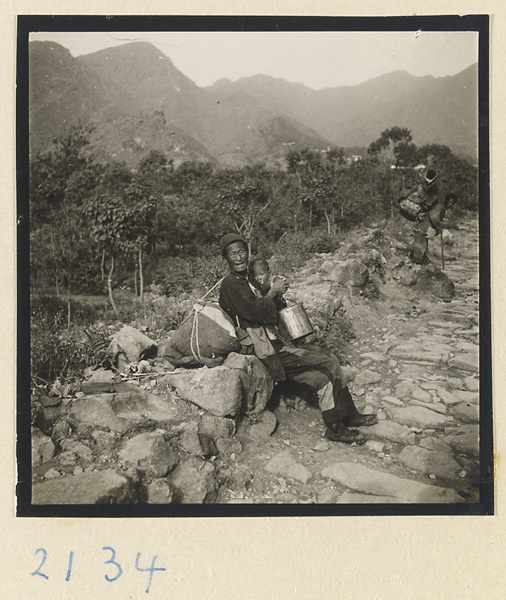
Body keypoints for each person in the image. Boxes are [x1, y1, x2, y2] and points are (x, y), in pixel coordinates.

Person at [218, 233, 377, 445]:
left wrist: (273, 290)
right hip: (264, 348)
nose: (238, 257)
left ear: (247, 252)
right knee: (327, 364)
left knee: (328, 356)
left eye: (241, 252)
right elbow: (255, 312)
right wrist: (273, 293)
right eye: (232, 254)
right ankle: (335, 427)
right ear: (225, 258)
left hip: (273, 340)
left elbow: (261, 303)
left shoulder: (244, 279)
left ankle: (350, 414)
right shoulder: (231, 284)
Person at [400, 169, 446, 265]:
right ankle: (418, 261)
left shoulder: (421, 184)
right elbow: (433, 214)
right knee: (421, 238)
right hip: (423, 215)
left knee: (419, 237)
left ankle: (419, 259)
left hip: (418, 214)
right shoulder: (433, 191)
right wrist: (439, 227)